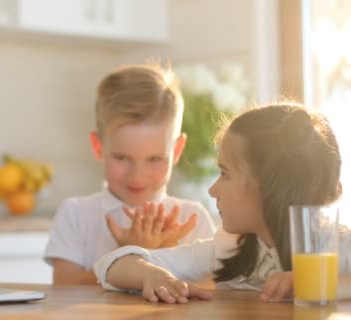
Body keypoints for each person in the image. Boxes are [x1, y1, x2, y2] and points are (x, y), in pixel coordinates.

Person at [93, 103, 343, 303]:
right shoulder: (227, 249)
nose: (213, 190)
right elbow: (111, 265)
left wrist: (320, 281)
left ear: (269, 187)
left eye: (225, 174)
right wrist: (151, 274)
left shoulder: (338, 249)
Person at [45, 63, 217, 285]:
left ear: (176, 151)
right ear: (98, 147)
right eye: (122, 158)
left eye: (155, 159)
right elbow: (64, 288)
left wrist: (163, 255)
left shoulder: (193, 219)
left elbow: (213, 292)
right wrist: (128, 255)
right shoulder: (76, 214)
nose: (137, 176)